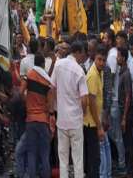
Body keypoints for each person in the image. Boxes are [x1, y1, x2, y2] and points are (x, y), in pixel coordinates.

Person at [51, 41, 89, 178]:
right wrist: (83, 112)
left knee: (63, 158)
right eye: (83, 54)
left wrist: (55, 108)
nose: (83, 57)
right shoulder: (79, 71)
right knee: (78, 158)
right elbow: (84, 98)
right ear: (78, 52)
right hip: (76, 121)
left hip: (62, 120)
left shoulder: (58, 65)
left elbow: (52, 88)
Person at [15, 52, 54, 178]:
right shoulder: (48, 81)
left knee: (31, 153)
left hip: (31, 120)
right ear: (43, 64)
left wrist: (28, 101)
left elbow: (21, 93)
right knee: (44, 154)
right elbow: (50, 105)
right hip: (43, 121)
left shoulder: (29, 75)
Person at [84, 44, 106, 178]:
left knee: (94, 159)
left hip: (94, 122)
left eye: (104, 60)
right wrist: (99, 127)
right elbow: (91, 103)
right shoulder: (92, 75)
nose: (102, 62)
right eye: (99, 59)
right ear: (94, 59)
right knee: (94, 160)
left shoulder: (99, 72)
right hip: (91, 124)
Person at [111, 46, 131, 176]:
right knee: (114, 136)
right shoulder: (119, 70)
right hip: (117, 107)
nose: (116, 58)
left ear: (123, 58)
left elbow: (128, 95)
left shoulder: (126, 73)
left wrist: (124, 117)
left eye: (118, 56)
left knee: (118, 138)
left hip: (121, 108)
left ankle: (123, 164)